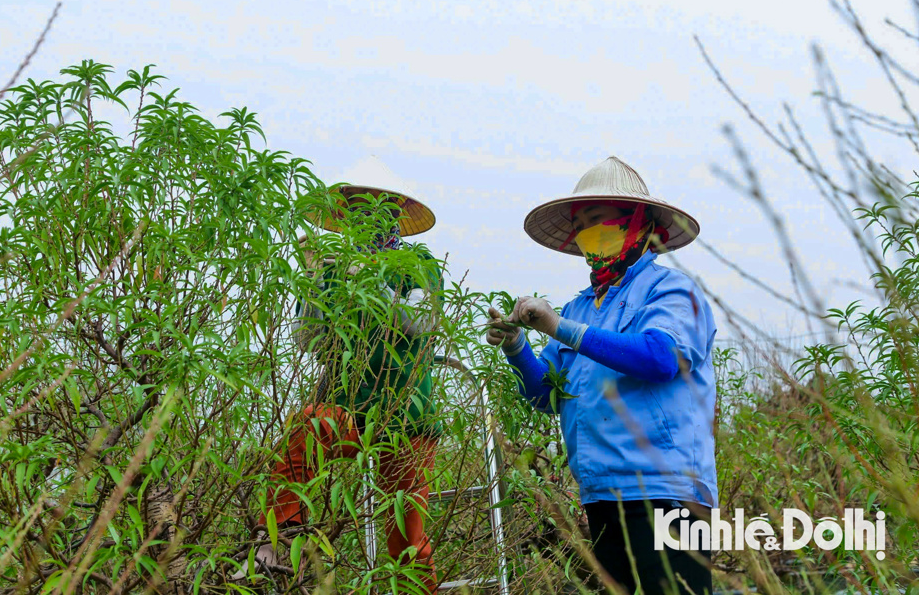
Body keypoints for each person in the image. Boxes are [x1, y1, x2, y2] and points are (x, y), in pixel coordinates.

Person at [486, 156, 717, 595]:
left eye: (600, 219)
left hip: (668, 493)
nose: (591, 232)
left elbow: (659, 358)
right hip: (603, 495)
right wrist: (517, 347)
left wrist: (557, 327)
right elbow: (543, 394)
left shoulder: (671, 290)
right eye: (583, 224)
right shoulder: (580, 309)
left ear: (639, 223)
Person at [244, 168, 444, 594]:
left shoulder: (418, 263)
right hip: (349, 411)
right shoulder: (334, 268)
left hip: (404, 417)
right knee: (307, 426)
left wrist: (364, 277)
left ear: (396, 211)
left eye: (377, 206)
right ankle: (276, 542)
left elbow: (420, 321)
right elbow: (305, 340)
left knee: (407, 543)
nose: (365, 215)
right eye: (355, 206)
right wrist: (317, 276)